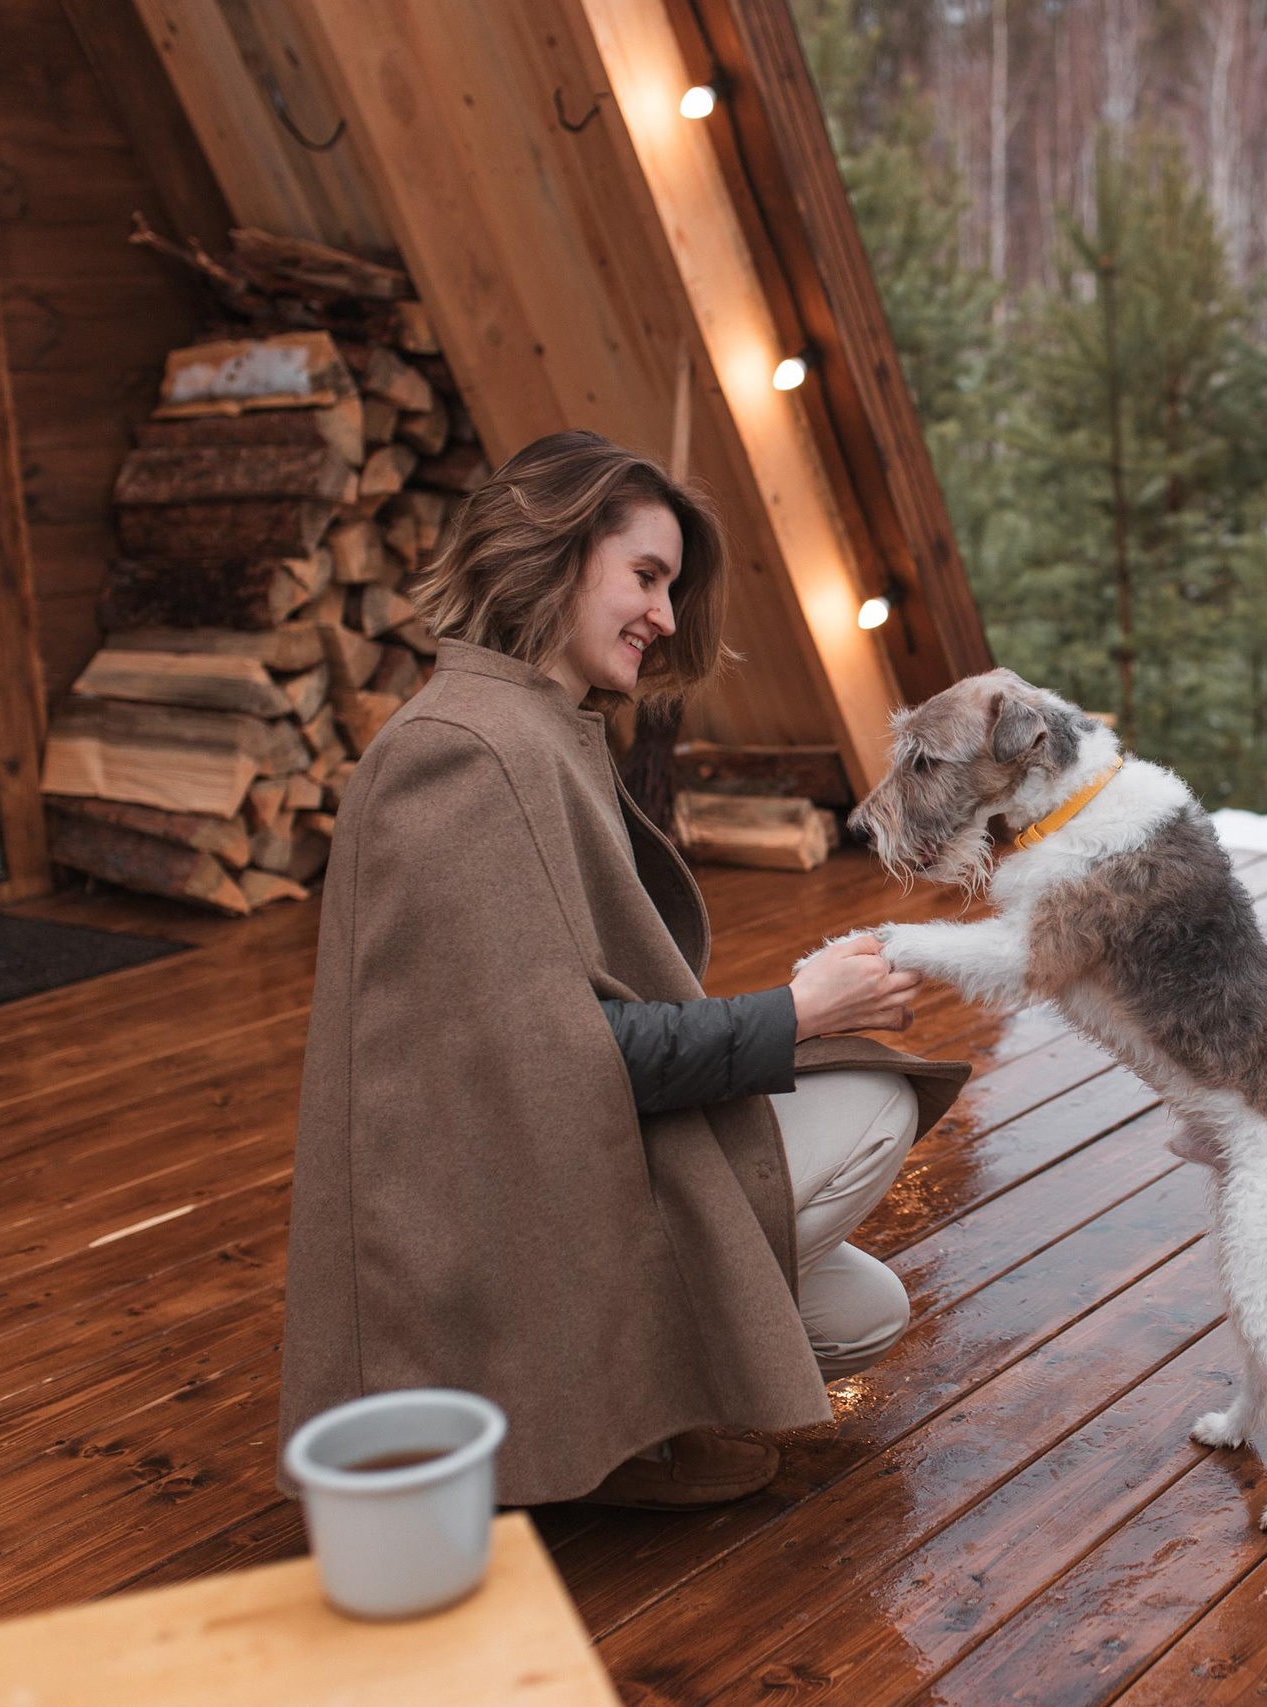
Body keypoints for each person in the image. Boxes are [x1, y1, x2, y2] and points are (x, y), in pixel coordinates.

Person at [277, 430, 966, 1511]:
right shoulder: (461, 751)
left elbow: (560, 1024)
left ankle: (627, 1420)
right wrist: (799, 1012)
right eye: (645, 576)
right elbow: (557, 1065)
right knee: (874, 1099)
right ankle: (585, 1438)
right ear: (553, 552)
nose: (665, 614)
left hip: (538, 1164)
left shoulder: (532, 727)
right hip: (486, 1233)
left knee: (860, 1312)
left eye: (672, 587)